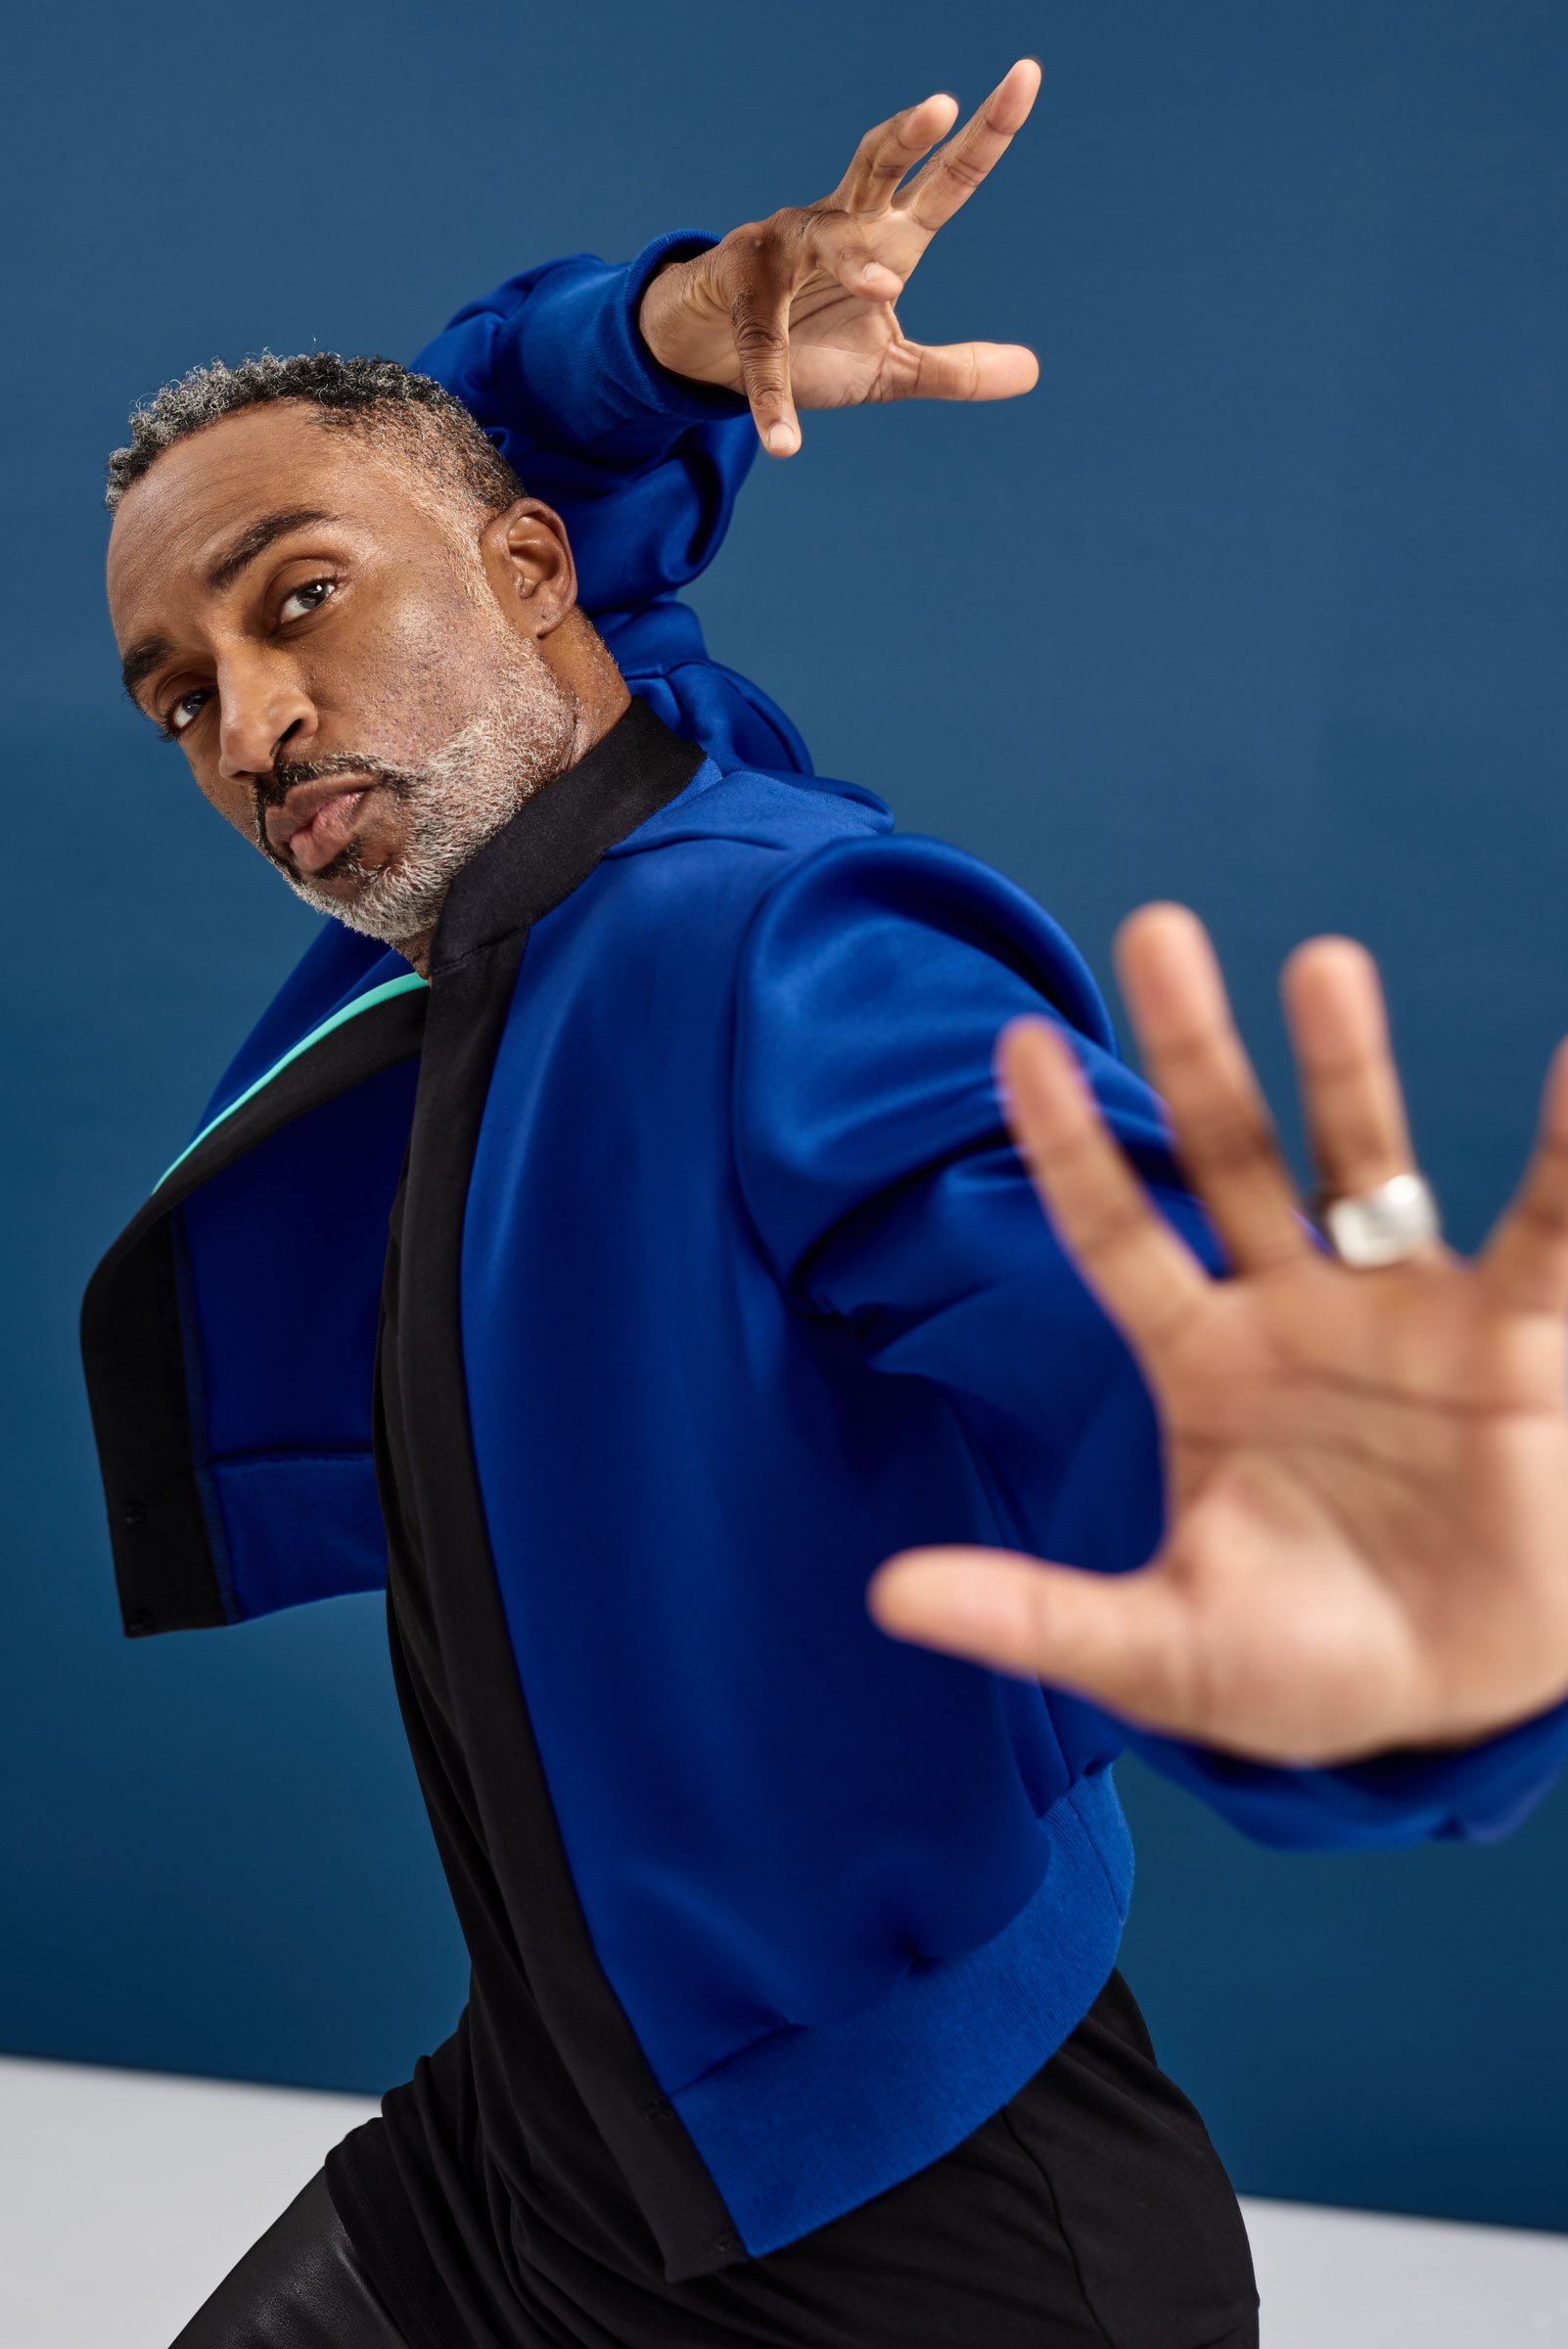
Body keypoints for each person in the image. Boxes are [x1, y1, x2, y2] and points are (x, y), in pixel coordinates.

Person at [85, 62, 1568, 2349]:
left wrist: (1407, 1651)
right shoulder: (544, 805)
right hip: (540, 2149)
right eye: (181, 696)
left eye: (301, 610)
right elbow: (475, 421)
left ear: (526, 577)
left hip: (905, 2242)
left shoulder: (774, 941)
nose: (256, 723)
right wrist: (678, 319)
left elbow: (1082, 1290)